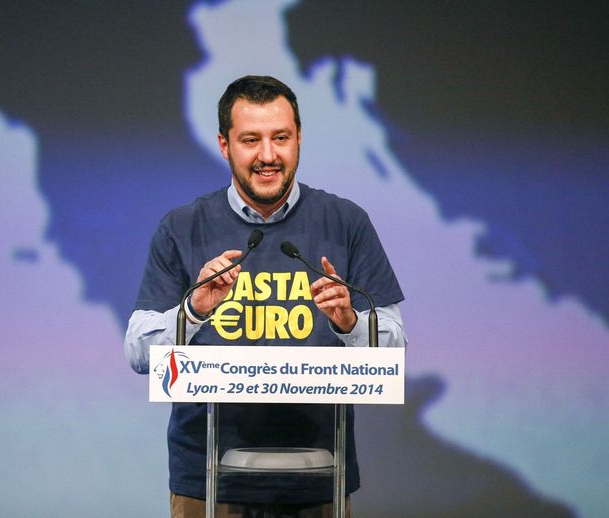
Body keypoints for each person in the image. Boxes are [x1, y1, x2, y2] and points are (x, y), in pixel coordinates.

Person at [125, 75, 406, 517]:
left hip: (318, 477)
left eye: (281, 138)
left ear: (299, 140)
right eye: (250, 140)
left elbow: (395, 350)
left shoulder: (346, 222)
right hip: (207, 479)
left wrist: (350, 323)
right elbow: (139, 352)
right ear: (224, 145)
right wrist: (194, 310)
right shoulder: (183, 228)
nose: (268, 156)